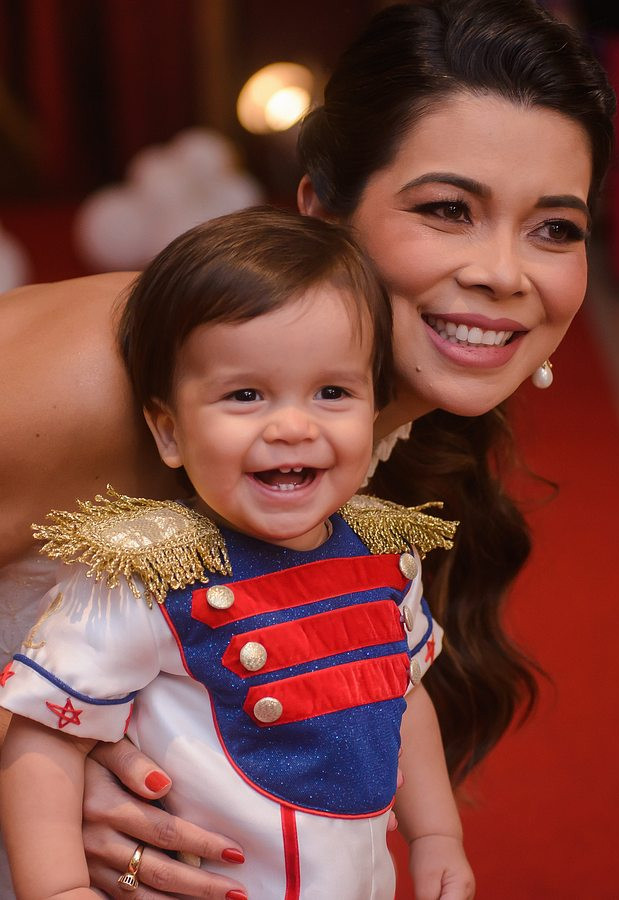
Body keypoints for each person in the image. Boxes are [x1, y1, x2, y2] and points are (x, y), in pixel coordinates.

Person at [0, 0, 615, 895]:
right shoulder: (109, 383)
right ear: (322, 211)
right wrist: (39, 775)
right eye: (448, 209)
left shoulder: (358, 426)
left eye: (554, 228)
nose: (503, 273)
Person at [0, 207, 473, 900]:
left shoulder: (383, 557)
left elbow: (404, 693)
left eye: (332, 392)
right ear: (169, 432)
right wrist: (61, 888)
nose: (292, 426)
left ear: (373, 412)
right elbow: (45, 734)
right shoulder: (152, 573)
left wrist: (435, 835)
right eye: (245, 395)